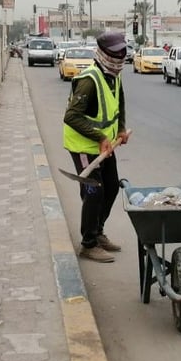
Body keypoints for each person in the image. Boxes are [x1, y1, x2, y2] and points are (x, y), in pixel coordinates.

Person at [63, 31, 131, 263]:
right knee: (94, 192)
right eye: (115, 53)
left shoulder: (113, 75)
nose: (120, 57)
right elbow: (71, 116)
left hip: (104, 145)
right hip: (83, 145)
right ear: (102, 53)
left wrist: (121, 128)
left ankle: (98, 231)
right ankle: (88, 243)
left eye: (122, 52)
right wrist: (99, 137)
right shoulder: (89, 80)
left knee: (111, 187)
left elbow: (120, 101)